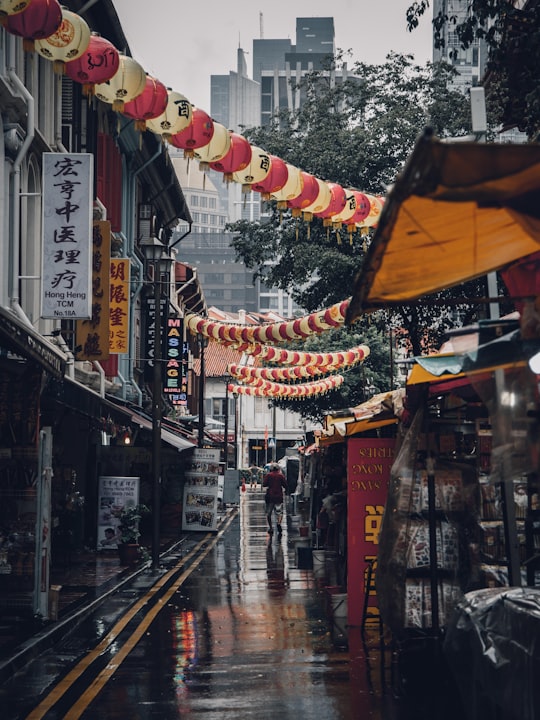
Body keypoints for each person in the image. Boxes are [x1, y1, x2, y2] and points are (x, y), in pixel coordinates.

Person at [263, 463, 287, 536]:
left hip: (270, 496)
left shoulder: (269, 475)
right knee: (279, 512)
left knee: (269, 513)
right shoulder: (281, 476)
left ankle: (270, 528)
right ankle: (279, 523)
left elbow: (264, 484)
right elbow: (285, 485)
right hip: (279, 496)